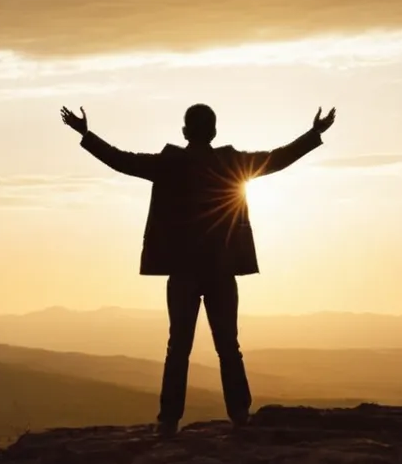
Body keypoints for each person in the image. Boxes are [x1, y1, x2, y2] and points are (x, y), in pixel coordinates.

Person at [60, 103, 336, 437]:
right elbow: (277, 159)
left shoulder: (170, 164)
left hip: (183, 271)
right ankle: (239, 415)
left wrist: (86, 134)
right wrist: (314, 134)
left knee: (178, 347)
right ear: (214, 132)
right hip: (221, 270)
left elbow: (122, 161)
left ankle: (168, 421)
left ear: (185, 132)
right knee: (228, 346)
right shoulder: (232, 163)